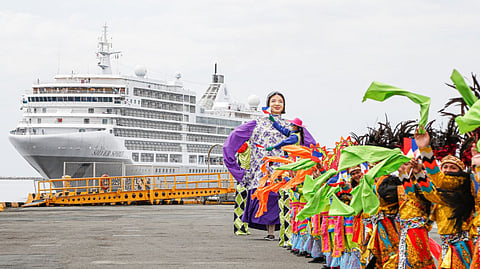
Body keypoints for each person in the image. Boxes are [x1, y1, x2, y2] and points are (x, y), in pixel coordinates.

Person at [223, 91, 315, 240]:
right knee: (268, 200)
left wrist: (313, 163)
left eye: (280, 101)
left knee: (287, 200)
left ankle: (288, 233)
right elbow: (231, 142)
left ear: (284, 105)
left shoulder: (291, 126)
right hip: (262, 171)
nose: (277, 103)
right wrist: (237, 170)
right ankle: (271, 233)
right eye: (273, 101)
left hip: (286, 171)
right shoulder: (256, 123)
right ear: (268, 104)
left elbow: (311, 144)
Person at [414, 128, 475, 268]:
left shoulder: (462, 185)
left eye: (452, 168)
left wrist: (425, 149)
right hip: (447, 245)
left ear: (461, 172)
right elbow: (431, 193)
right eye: (445, 167)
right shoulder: (444, 192)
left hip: (461, 246)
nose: (447, 170)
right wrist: (418, 174)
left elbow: (439, 179)